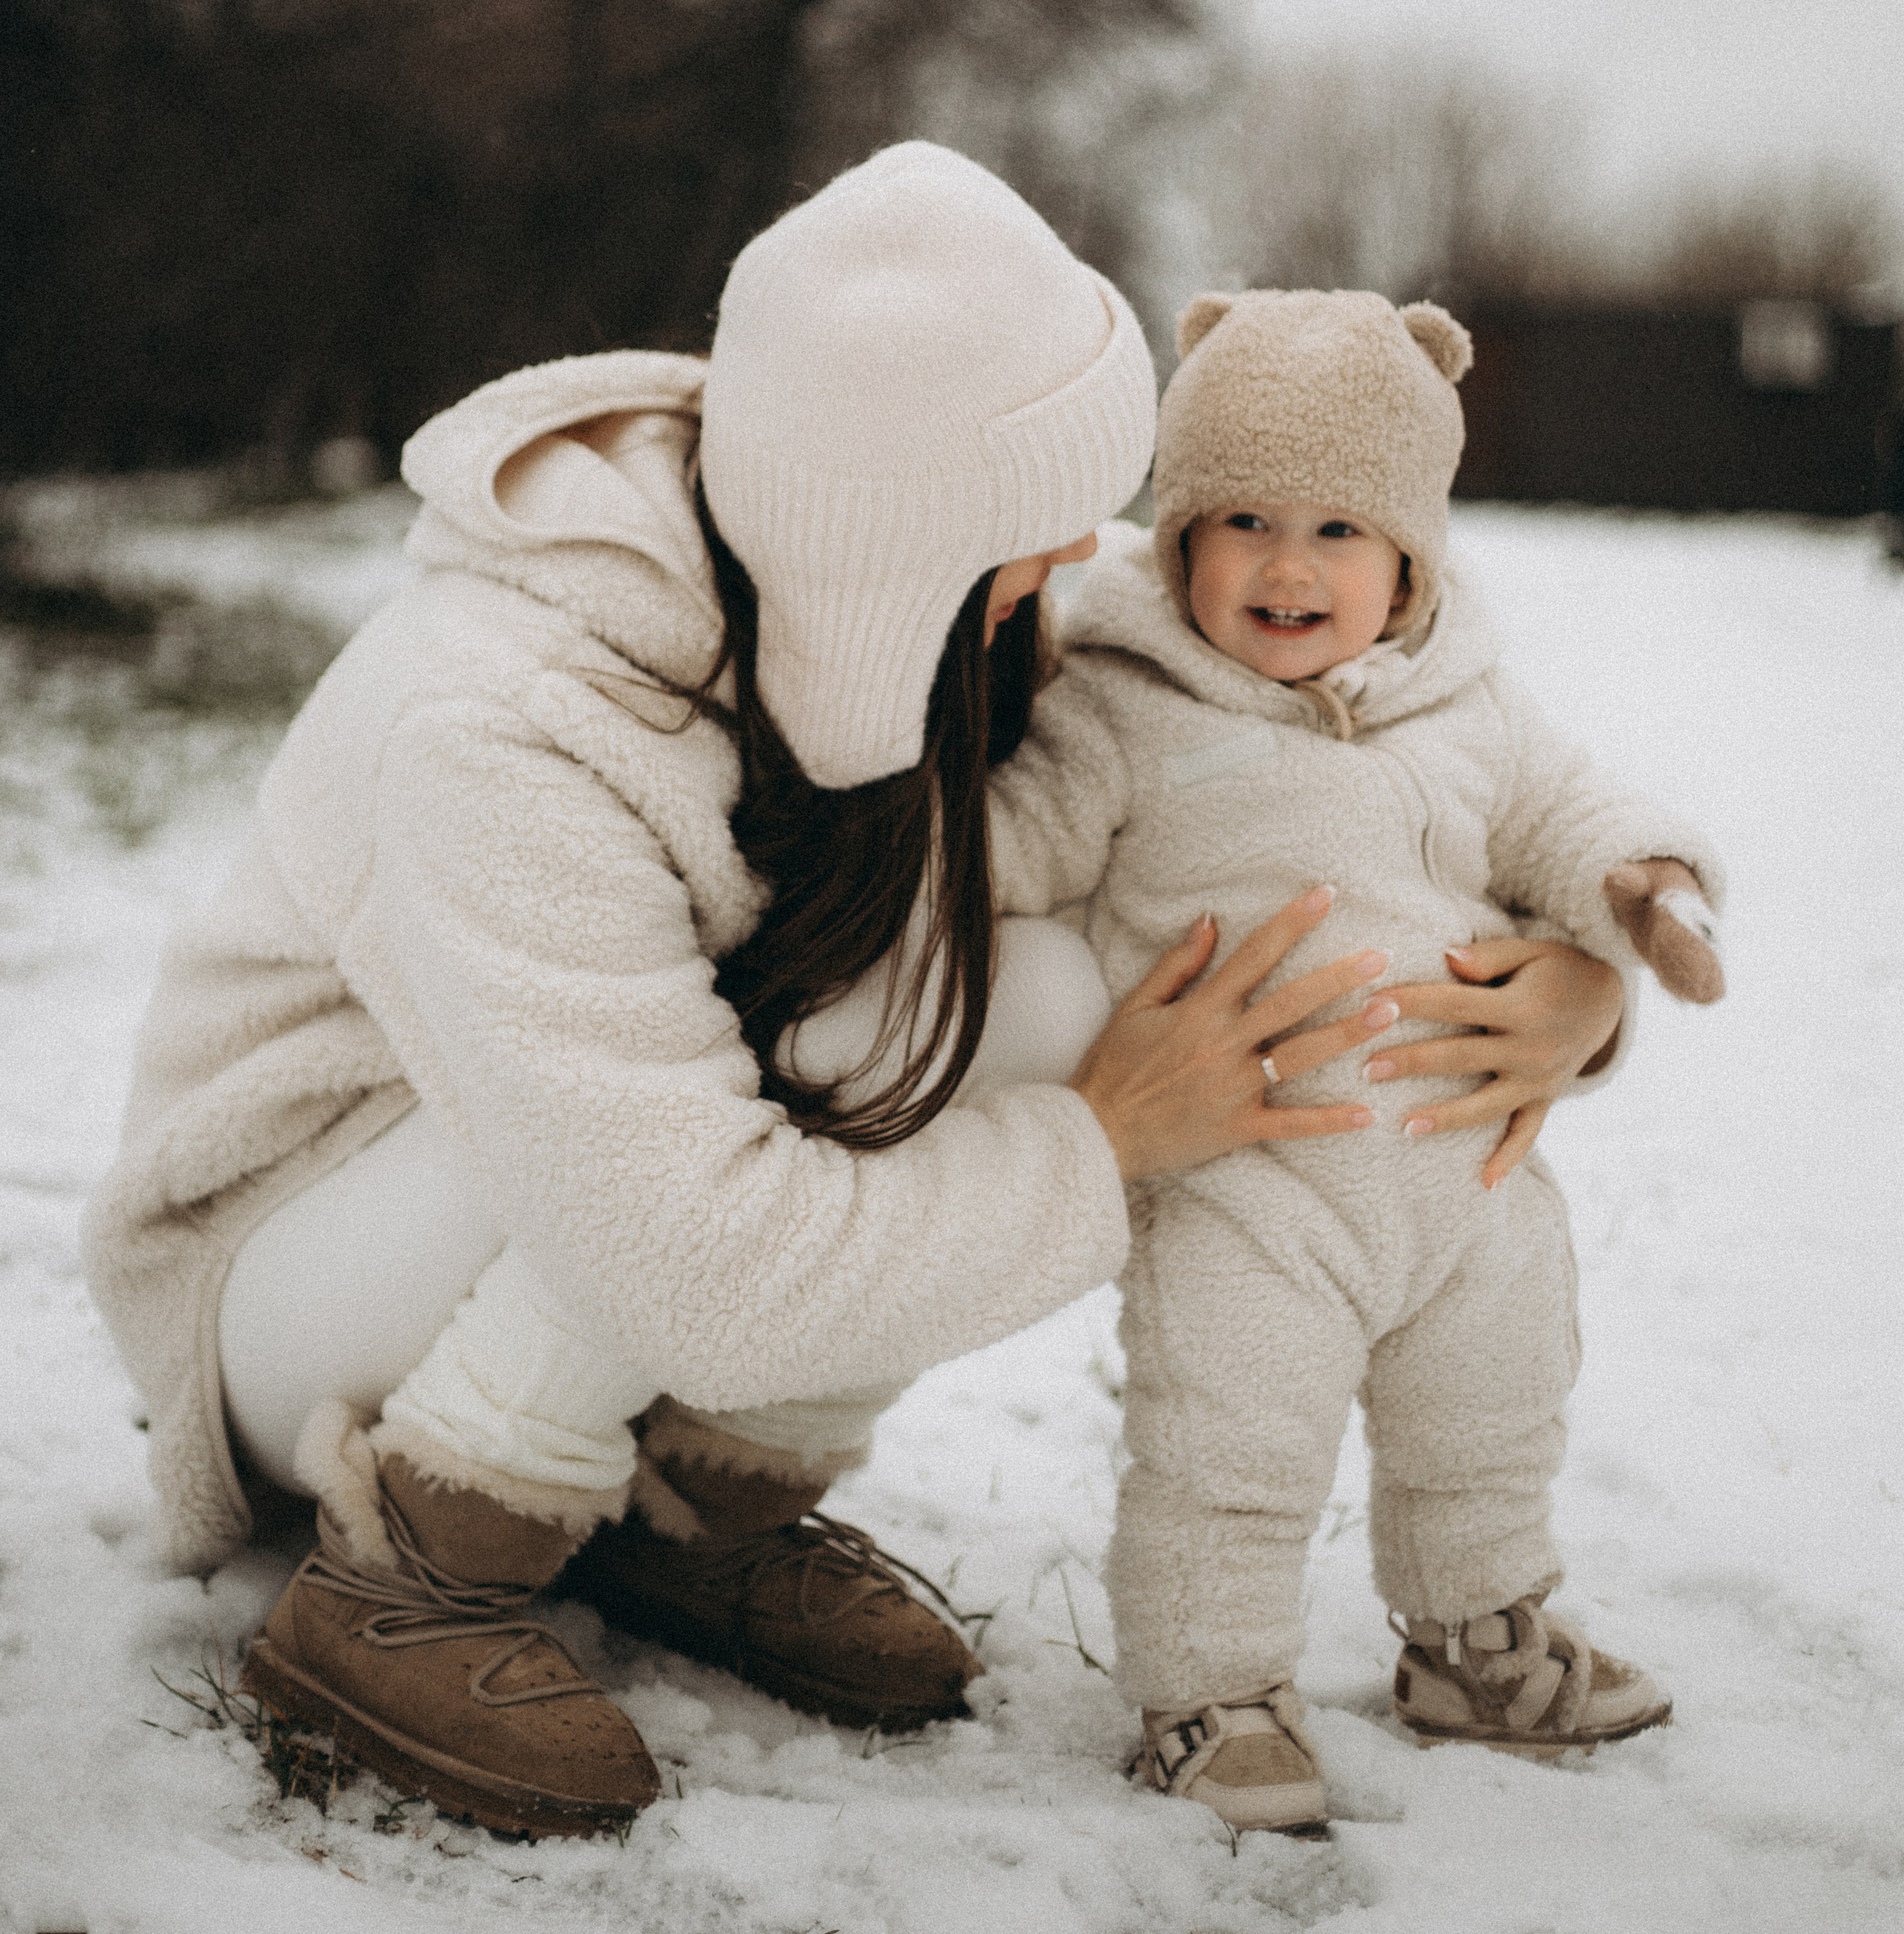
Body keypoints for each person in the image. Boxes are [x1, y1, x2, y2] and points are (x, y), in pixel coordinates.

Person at [80, 151, 1625, 1845]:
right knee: (896, 1036)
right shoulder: (496, 724)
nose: (1080, 563)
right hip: (291, 1258)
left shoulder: (876, 571)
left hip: (556, 1179)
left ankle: (696, 1517)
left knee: (1006, 986)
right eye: (1036, 539)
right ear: (912, 546)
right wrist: (1100, 1145)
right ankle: (410, 1579)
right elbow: (686, 1254)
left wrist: (1567, 991)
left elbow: (1297, 755)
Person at [986, 287, 1726, 1833]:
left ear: (1408, 559)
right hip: (1247, 1169)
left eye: (1338, 528)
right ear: (1174, 533)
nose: (1283, 564)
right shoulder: (1120, 702)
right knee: (1226, 1442)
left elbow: (1565, 821)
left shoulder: (1469, 706)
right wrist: (926, 864)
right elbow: (1016, 840)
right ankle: (1208, 1692)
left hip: (1467, 1161)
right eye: (1239, 516)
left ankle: (1475, 1643)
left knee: (1490, 1425)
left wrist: (1641, 899)